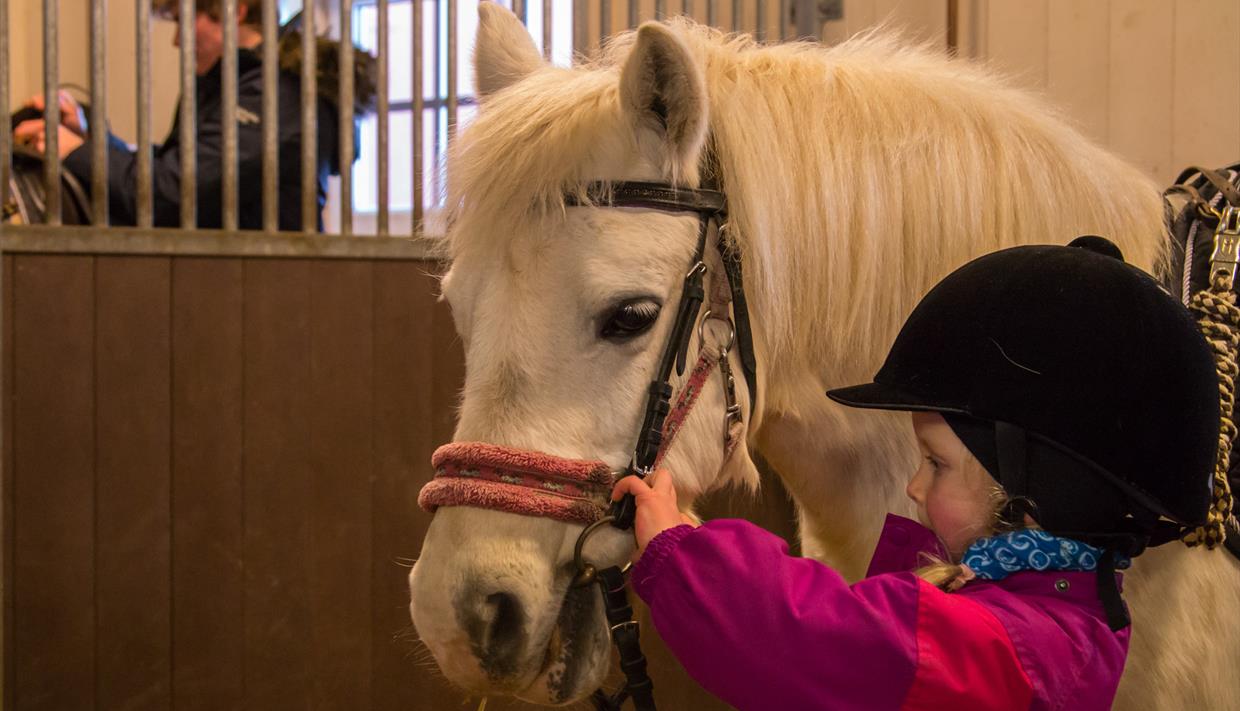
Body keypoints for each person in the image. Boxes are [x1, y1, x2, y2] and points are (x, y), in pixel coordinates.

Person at [613, 237, 1224, 710]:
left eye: (937, 464)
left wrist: (681, 554)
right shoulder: (1057, 618)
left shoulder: (1012, 651)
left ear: (1033, 498)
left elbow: (812, 639)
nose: (914, 486)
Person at [12, 0, 376, 231]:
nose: (177, 41)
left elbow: (173, 194)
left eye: (183, 19)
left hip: (265, 290)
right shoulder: (224, 85)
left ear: (234, 11)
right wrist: (92, 140)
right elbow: (174, 167)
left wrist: (77, 153)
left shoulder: (278, 97)